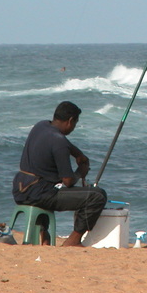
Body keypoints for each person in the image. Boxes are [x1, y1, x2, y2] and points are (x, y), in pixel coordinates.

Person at [12, 101, 107, 247]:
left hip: (20, 189)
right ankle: (74, 240)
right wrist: (80, 172)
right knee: (97, 196)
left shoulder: (41, 125)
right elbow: (68, 181)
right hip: (40, 194)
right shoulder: (59, 142)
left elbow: (62, 142)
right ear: (70, 121)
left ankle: (43, 234)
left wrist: (78, 154)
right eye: (75, 123)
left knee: (50, 183)